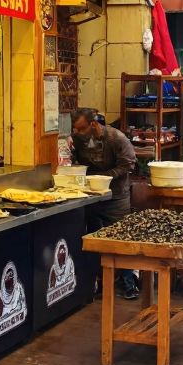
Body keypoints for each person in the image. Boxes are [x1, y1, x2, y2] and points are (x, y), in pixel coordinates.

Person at [71, 107, 140, 299]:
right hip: (90, 195)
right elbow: (74, 161)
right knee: (93, 240)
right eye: (75, 129)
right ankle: (95, 283)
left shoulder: (117, 139)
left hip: (116, 195)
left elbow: (128, 164)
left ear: (93, 124)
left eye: (81, 129)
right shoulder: (77, 139)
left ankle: (128, 283)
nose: (77, 133)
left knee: (121, 238)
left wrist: (103, 178)